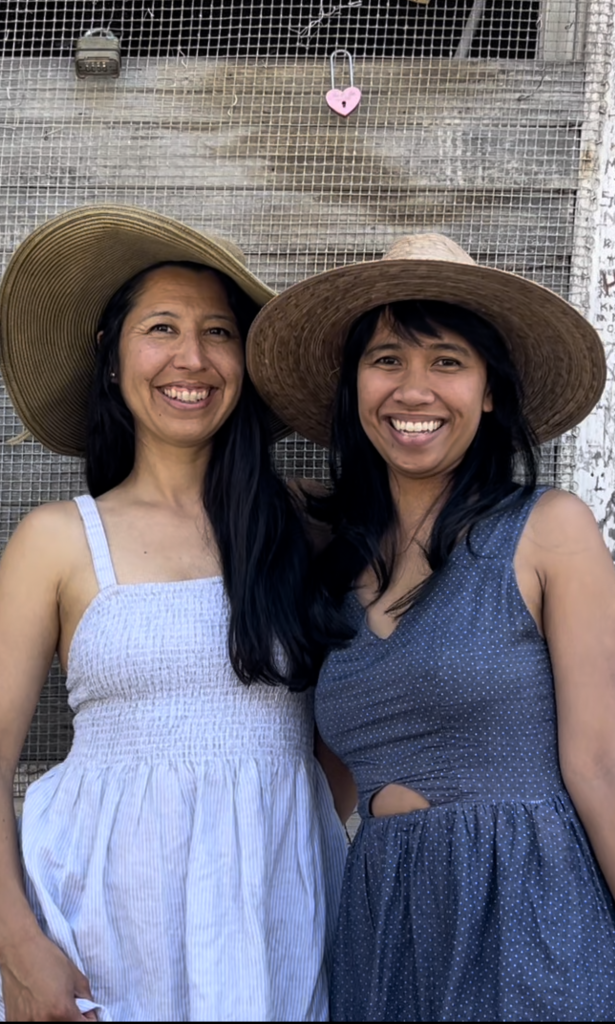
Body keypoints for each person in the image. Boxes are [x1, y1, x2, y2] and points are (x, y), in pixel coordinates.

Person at [246, 233, 615, 1022]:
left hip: (529, 910)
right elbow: (324, 785)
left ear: (489, 392)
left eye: (447, 361)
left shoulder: (548, 530)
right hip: (382, 922)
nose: (413, 390)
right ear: (353, 386)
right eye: (386, 360)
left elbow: (600, 765)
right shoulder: (329, 562)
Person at [0, 205, 347, 1023]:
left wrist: (278, 840)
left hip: (273, 920)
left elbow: (341, 734)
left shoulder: (303, 531)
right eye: (161, 328)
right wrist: (17, 947)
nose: (191, 358)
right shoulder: (57, 540)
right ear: (111, 356)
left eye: (218, 332)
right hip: (99, 925)